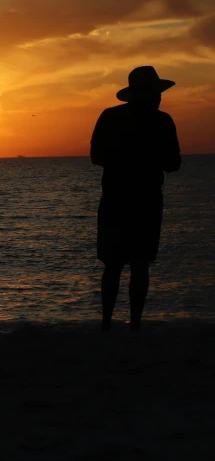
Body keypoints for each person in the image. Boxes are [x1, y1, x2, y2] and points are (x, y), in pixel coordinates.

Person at [90, 66, 181, 331]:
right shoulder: (162, 121)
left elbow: (97, 157)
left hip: (115, 200)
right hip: (145, 201)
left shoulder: (110, 117)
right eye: (156, 93)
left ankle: (107, 324)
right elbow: (173, 164)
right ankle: (135, 326)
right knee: (139, 265)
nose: (159, 98)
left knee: (113, 265)